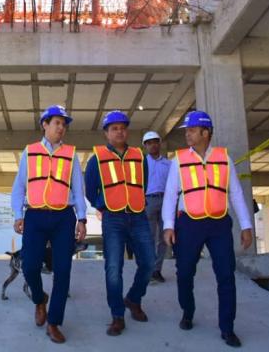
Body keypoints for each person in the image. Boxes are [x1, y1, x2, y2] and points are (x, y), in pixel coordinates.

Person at [161, 110, 253, 348]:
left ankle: (227, 328)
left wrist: (246, 225)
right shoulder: (179, 160)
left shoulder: (224, 158)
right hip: (188, 223)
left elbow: (235, 193)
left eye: (191, 131)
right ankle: (188, 312)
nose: (188, 135)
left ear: (205, 132)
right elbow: (170, 195)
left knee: (226, 275)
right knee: (184, 273)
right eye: (187, 131)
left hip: (219, 224)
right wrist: (169, 226)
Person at [10, 105, 87, 344]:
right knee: (30, 266)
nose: (61, 128)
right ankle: (39, 299)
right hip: (35, 216)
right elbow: (19, 185)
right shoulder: (30, 151)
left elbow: (78, 187)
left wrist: (82, 219)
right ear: (44, 124)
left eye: (64, 124)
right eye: (57, 123)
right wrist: (17, 214)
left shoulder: (71, 153)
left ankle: (54, 322)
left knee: (63, 271)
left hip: (64, 218)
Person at [84, 110, 155, 336]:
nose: (119, 131)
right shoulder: (97, 159)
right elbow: (90, 189)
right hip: (113, 219)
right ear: (106, 133)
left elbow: (143, 183)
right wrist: (102, 205)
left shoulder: (139, 156)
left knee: (149, 263)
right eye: (114, 128)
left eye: (123, 127)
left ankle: (133, 298)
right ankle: (117, 316)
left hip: (138, 216)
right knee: (114, 268)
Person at [142, 130, 172, 283]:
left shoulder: (169, 164)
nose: (153, 145)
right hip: (148, 201)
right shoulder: (142, 164)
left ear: (159, 143)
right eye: (149, 143)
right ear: (145, 146)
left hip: (166, 201)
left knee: (163, 237)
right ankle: (147, 269)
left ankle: (156, 270)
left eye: (155, 141)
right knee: (149, 237)